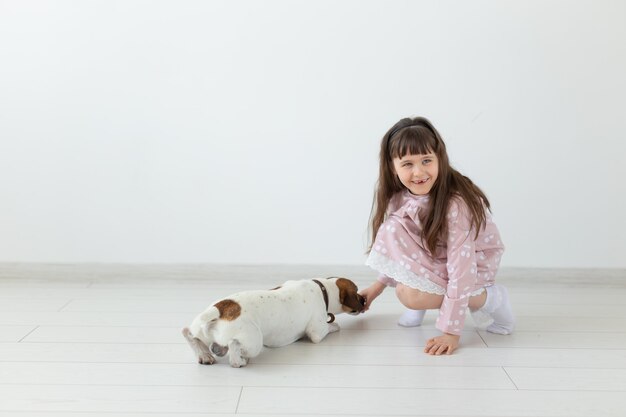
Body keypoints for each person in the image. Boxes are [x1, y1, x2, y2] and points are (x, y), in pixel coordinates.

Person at [359, 116, 514, 355]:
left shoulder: (455, 204)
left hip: (472, 265)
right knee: (393, 230)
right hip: (435, 256)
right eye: (407, 164)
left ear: (439, 159)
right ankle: (422, 297)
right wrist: (377, 287)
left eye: (427, 160)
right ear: (393, 167)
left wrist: (451, 331)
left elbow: (462, 269)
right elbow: (401, 246)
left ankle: (490, 298)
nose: (419, 172)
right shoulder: (398, 197)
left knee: (410, 295)